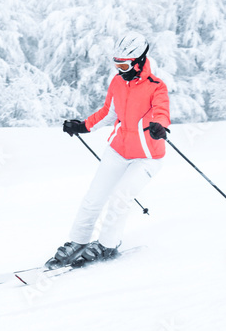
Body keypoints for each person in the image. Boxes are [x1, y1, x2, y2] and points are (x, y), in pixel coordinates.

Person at [47, 32, 170, 269]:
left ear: (138, 60)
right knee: (93, 198)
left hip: (146, 157)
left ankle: (107, 245)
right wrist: (83, 126)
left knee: (120, 198)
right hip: (118, 150)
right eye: (116, 64)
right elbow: (108, 112)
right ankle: (78, 241)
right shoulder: (117, 82)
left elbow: (161, 111)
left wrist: (159, 126)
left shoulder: (157, 87)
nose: (120, 69)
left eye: (124, 64)